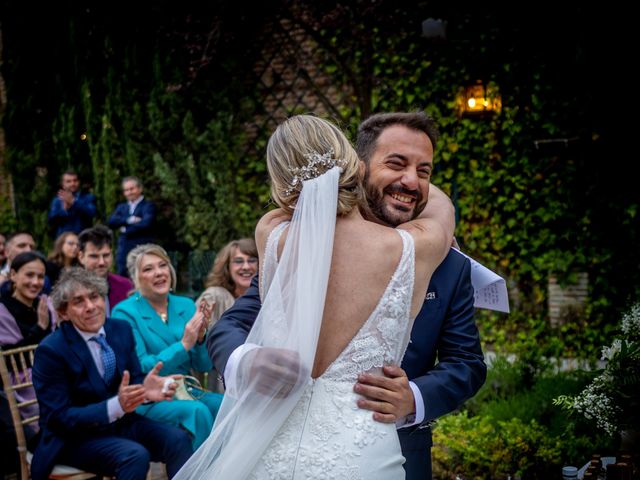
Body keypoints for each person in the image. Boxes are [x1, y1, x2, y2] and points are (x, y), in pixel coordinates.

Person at [207, 112, 487, 479]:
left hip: (389, 447)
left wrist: (413, 399)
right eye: (396, 164)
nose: (411, 181)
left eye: (425, 171)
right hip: (300, 442)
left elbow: (468, 363)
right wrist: (244, 360)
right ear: (359, 166)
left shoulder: (275, 233)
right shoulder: (422, 245)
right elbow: (235, 323)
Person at [30, 268, 193, 480]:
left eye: (94, 297)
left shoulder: (120, 329)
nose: (90, 307)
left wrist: (145, 389)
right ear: (63, 312)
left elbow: (133, 378)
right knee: (134, 455)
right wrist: (116, 406)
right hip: (73, 438)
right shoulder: (51, 350)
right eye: (78, 301)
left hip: (120, 424)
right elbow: (57, 418)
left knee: (178, 439)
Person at [111, 243, 224, 450]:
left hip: (186, 390)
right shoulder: (124, 313)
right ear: (136, 278)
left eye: (163, 265)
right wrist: (183, 345)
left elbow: (203, 366)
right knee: (198, 412)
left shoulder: (186, 304)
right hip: (148, 397)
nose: (159, 273)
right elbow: (141, 366)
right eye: (148, 269)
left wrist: (200, 338)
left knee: (227, 405)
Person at [196, 238, 258, 392]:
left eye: (252, 260)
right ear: (227, 267)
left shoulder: (268, 298)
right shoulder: (215, 297)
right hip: (225, 382)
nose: (246, 267)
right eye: (238, 261)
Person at [77, 225, 133, 315]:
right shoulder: (71, 291)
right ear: (81, 257)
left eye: (106, 255)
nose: (101, 262)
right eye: (94, 256)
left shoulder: (126, 286)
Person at [107, 176, 157, 277]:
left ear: (140, 188)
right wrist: (130, 220)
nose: (129, 192)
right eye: (126, 190)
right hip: (124, 249)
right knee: (123, 276)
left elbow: (146, 224)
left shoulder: (148, 206)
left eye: (132, 189)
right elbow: (111, 222)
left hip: (142, 247)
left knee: (143, 275)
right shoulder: (122, 207)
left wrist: (125, 229)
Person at [47, 170, 97, 238]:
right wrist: (65, 210)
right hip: (64, 239)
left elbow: (92, 213)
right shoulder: (57, 200)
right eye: (68, 181)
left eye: (75, 180)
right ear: (63, 184)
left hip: (83, 238)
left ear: (79, 182)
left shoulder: (88, 198)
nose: (72, 184)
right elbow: (51, 220)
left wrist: (74, 202)